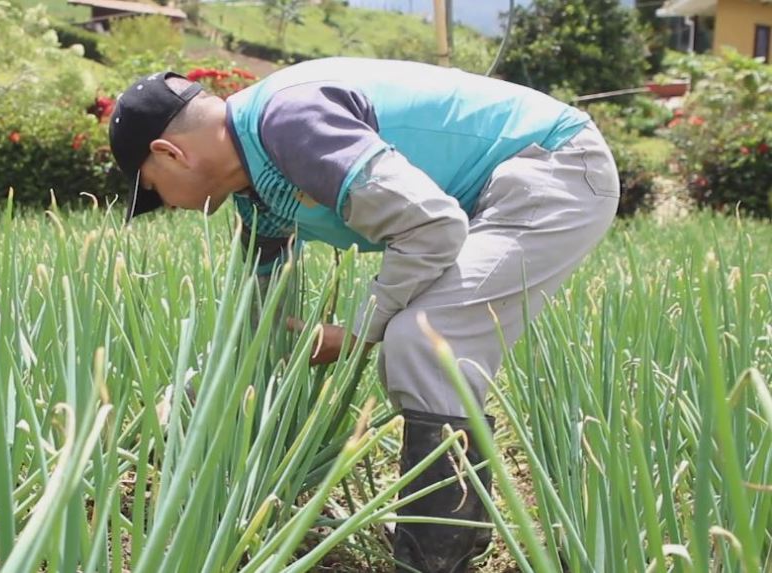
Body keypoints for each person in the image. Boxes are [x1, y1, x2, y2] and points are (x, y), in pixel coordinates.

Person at [108, 57, 619, 572]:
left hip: (552, 167)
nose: (168, 205)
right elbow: (261, 325)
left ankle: (437, 561)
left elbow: (433, 227)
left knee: (425, 341)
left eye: (153, 191)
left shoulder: (292, 122)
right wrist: (182, 414)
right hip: (495, 191)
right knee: (420, 340)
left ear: (169, 153)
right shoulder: (255, 197)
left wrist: (355, 330)